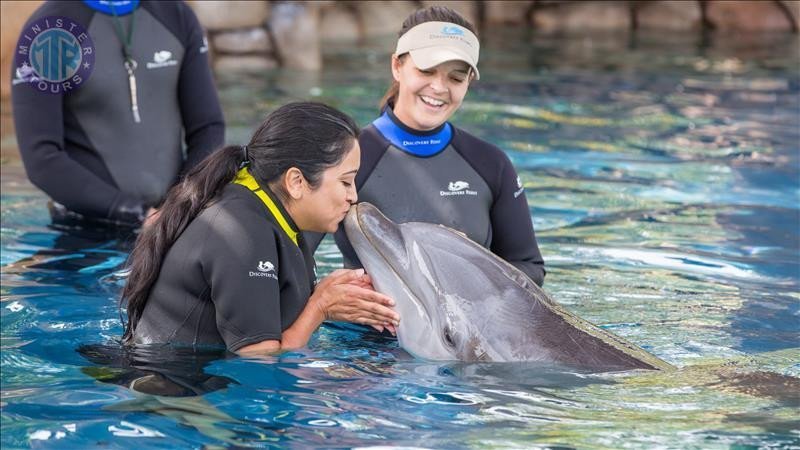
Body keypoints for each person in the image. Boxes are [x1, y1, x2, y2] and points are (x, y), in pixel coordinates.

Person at [121, 102, 400, 354]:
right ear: (296, 182)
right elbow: (259, 359)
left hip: (198, 383)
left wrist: (337, 300)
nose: (353, 197)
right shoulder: (242, 235)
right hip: (174, 395)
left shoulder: (266, 208)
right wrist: (321, 307)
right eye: (345, 182)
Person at [331, 6, 546, 286]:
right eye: (426, 71)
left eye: (456, 78)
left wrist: (469, 263)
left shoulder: (490, 163)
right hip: (366, 330)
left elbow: (530, 268)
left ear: (468, 82)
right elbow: (292, 259)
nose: (439, 87)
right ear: (397, 66)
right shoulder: (351, 158)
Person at [11, 0, 224, 229]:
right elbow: (42, 157)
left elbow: (208, 127)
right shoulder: (48, 30)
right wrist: (140, 215)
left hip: (171, 222)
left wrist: (181, 203)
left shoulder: (177, 16)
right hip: (85, 233)